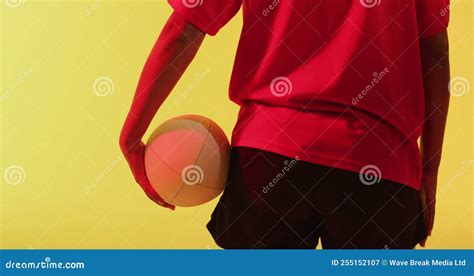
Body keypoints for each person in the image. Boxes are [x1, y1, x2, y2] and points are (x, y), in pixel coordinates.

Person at [119, 0, 451, 249]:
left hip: (268, 158)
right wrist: (429, 172)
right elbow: (434, 52)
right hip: (379, 168)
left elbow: (184, 31)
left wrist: (132, 137)